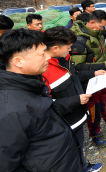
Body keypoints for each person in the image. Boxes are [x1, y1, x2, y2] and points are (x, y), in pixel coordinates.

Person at [0, 29, 84, 172]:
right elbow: (6, 164)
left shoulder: (31, 84)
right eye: (41, 54)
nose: (47, 57)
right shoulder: (10, 111)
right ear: (18, 61)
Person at [42, 27, 103, 172]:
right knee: (69, 152)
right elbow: (46, 105)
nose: (71, 50)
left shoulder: (64, 59)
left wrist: (93, 73)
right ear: (55, 48)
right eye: (68, 47)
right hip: (64, 123)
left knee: (79, 145)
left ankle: (83, 165)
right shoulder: (43, 70)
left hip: (77, 115)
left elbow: (75, 75)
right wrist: (76, 100)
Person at [71, 10, 106, 147]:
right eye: (101, 26)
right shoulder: (79, 40)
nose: (102, 29)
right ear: (91, 22)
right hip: (90, 80)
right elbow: (78, 67)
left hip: (102, 77)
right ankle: (95, 134)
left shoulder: (96, 34)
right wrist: (104, 64)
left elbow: (103, 50)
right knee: (94, 108)